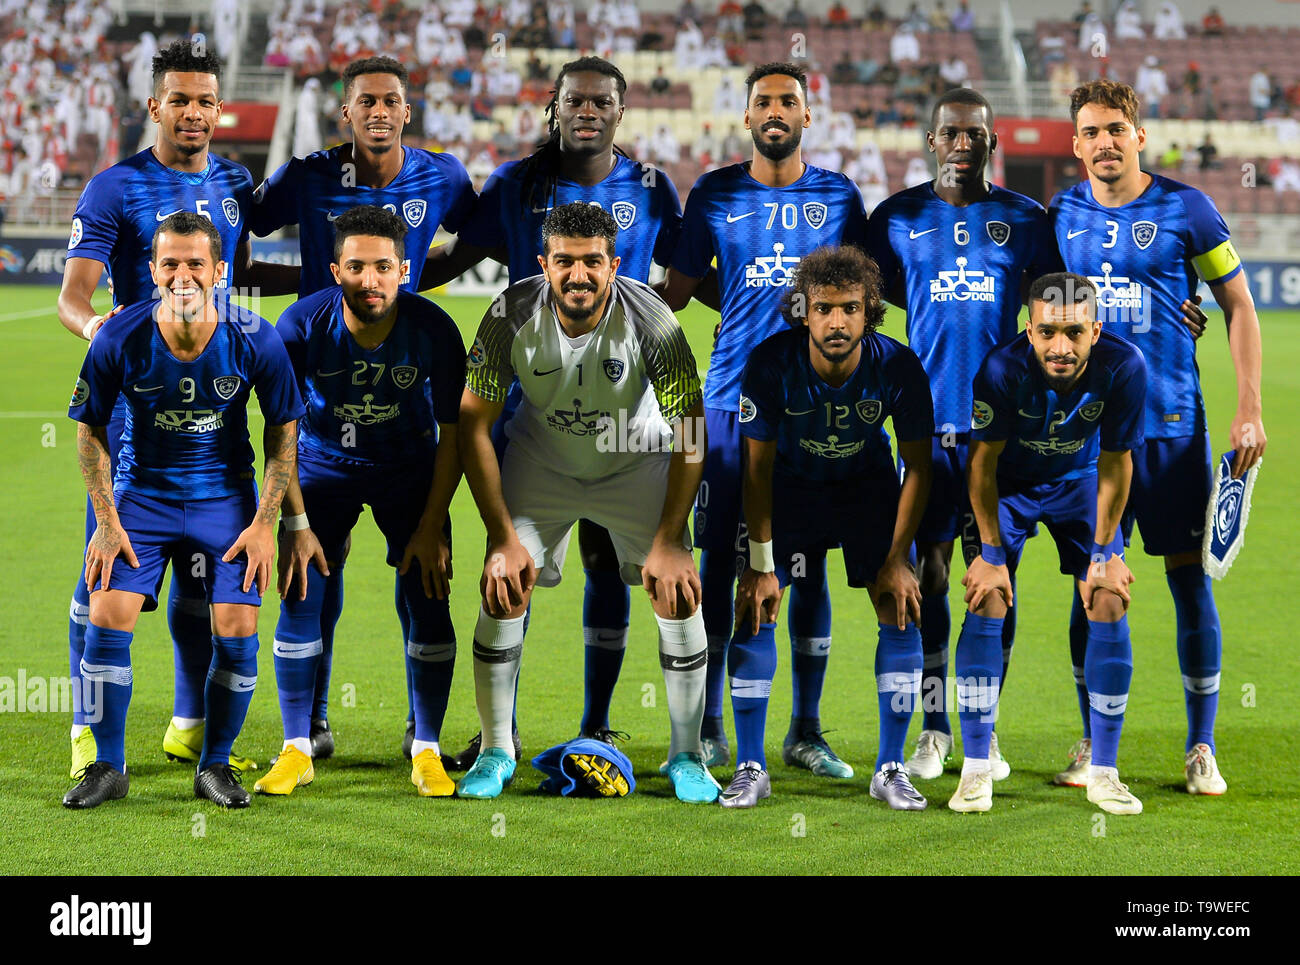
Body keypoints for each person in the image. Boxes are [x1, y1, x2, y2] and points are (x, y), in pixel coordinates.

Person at [420, 55, 684, 766]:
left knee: (606, 559)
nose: (588, 110)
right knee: (511, 565)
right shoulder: (516, 183)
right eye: (576, 101)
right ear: (556, 108)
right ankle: (496, 732)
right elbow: (459, 255)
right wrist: (390, 274)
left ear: (620, 112)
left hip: (619, 397)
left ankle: (596, 723)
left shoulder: (653, 188)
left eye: (602, 101)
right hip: (529, 394)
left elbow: (683, 274)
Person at [57, 38, 295, 783]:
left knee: (205, 577)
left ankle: (191, 724)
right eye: (178, 100)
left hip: (212, 396)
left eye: (204, 101)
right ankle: (86, 729)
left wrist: (329, 280)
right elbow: (73, 297)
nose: (191, 112)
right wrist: (108, 335)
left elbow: (243, 272)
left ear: (220, 110)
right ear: (154, 105)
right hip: (136, 400)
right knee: (107, 565)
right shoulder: (114, 187)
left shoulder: (233, 180)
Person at [250, 55, 477, 760]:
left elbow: (480, 236)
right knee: (315, 567)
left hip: (401, 402)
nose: (379, 111)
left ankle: (426, 733)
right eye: (365, 102)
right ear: (345, 113)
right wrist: (311, 286)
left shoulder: (444, 175)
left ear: (407, 111)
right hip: (321, 388)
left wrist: (401, 284)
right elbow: (247, 226)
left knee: (424, 575)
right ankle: (309, 723)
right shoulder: (308, 174)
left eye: (391, 101)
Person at [456, 203, 714, 802]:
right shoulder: (508, 315)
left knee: (677, 592)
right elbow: (473, 424)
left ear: (614, 264)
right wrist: (500, 538)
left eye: (592, 261)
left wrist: (673, 542)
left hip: (636, 459)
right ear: (543, 264)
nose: (579, 275)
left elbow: (693, 432)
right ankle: (497, 750)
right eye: (565, 261)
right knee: (503, 584)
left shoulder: (655, 324)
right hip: (543, 462)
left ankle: (686, 755)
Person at [1050, 80, 1265, 794]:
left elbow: (1236, 301)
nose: (1104, 142)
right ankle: (1091, 740)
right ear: (1075, 143)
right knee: (1093, 581)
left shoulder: (1186, 209)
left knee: (1187, 578)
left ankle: (1201, 746)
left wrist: (1249, 408)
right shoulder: (1062, 213)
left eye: (1116, 128)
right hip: (1087, 435)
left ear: (1139, 136)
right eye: (1090, 131)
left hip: (1171, 426)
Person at [658, 63, 869, 776]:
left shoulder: (839, 196)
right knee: (719, 565)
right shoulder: (715, 192)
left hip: (814, 409)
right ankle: (711, 725)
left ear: (808, 116)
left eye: (789, 101)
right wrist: (752, 307)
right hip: (724, 402)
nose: (775, 111)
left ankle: (805, 730)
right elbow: (679, 291)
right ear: (746, 117)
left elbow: (867, 294)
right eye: (763, 102)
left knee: (805, 568)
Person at [63, 212, 304, 809]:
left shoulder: (255, 337)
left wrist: (266, 523)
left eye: (195, 263)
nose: (182, 275)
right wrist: (108, 521)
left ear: (220, 271)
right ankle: (108, 766)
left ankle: (215, 765)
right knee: (108, 616)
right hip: (142, 498)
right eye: (169, 263)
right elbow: (90, 431)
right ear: (152, 271)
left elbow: (284, 431)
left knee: (238, 627)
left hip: (225, 500)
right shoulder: (118, 337)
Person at [866, 88, 1062, 784]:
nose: (962, 144)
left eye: (974, 134)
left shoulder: (1028, 220)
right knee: (930, 577)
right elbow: (863, 295)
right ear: (930, 139)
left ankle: (985, 721)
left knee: (992, 580)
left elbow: (1064, 311)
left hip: (999, 437)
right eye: (950, 133)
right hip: (922, 432)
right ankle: (934, 726)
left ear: (991, 143)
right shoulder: (894, 218)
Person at [256, 206, 465, 798]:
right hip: (321, 469)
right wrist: (294, 523)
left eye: (381, 267)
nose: (368, 280)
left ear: (404, 269)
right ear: (334, 269)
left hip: (409, 469)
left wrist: (432, 523)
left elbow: (456, 434)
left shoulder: (434, 330)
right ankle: (298, 745)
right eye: (355, 267)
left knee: (428, 591)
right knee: (301, 589)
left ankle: (425, 746)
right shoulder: (298, 327)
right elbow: (280, 435)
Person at [725, 246, 933, 809]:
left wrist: (896, 560)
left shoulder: (899, 367)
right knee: (757, 606)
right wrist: (762, 565)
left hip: (866, 487)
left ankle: (890, 768)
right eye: (823, 309)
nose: (836, 322)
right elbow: (757, 469)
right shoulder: (771, 364)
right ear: (805, 311)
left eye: (849, 309)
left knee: (899, 605)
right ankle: (750, 765)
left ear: (870, 312)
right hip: (790, 488)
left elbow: (918, 467)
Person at [949, 272, 1147, 814]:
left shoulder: (1124, 366)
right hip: (1008, 488)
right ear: (1029, 330)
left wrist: (1106, 554)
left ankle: (1104, 770)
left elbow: (1116, 464)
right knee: (986, 597)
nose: (1060, 347)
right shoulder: (1000, 368)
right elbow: (982, 465)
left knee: (1107, 597)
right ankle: (975, 768)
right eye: (1047, 333)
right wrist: (990, 556)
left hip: (1079, 483)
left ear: (1096, 330)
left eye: (1075, 334)